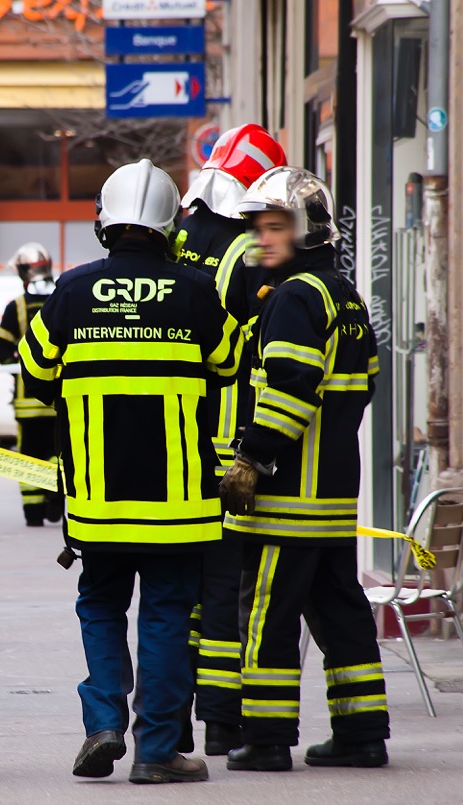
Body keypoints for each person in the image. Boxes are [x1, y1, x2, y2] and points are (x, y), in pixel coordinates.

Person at [19, 159, 243, 785]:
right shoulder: (197, 292)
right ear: (170, 225)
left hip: (98, 499)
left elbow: (36, 375)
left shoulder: (69, 290)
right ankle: (158, 750)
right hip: (179, 502)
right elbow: (229, 367)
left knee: (100, 606)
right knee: (168, 615)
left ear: (104, 224)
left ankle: (103, 724)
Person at [218, 166, 388, 772]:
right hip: (336, 495)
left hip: (286, 495)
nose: (262, 240)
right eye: (258, 228)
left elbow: (289, 387)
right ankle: (362, 733)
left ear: (306, 230)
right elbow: (365, 383)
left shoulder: (294, 297)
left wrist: (253, 460)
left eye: (274, 228)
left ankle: (264, 739)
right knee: (340, 609)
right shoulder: (345, 294)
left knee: (266, 613)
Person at [175, 124, 287, 756]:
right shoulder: (249, 251)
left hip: (175, 440)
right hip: (230, 441)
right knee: (228, 589)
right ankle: (223, 721)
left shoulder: (175, 233)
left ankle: (180, 713)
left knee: (181, 592)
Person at [0, 242, 63, 526]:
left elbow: (0, 349)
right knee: (59, 454)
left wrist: (17, 356)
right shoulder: (64, 299)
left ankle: (33, 513)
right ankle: (56, 492)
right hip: (60, 400)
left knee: (29, 458)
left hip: (28, 404)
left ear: (24, 271)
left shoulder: (18, 307)